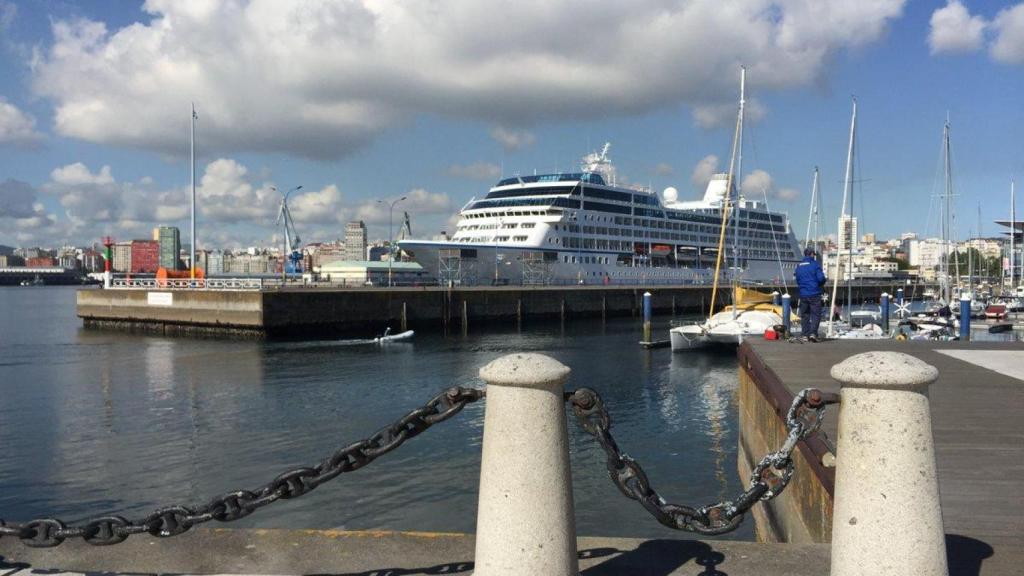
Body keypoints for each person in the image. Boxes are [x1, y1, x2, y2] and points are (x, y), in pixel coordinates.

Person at [794, 247, 827, 342]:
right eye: (814, 254)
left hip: (803, 294)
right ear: (812, 254)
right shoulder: (815, 265)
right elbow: (821, 278)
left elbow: (798, 280)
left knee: (805, 315)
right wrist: (819, 284)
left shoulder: (799, 266)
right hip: (814, 293)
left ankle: (805, 334)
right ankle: (813, 334)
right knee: (816, 315)